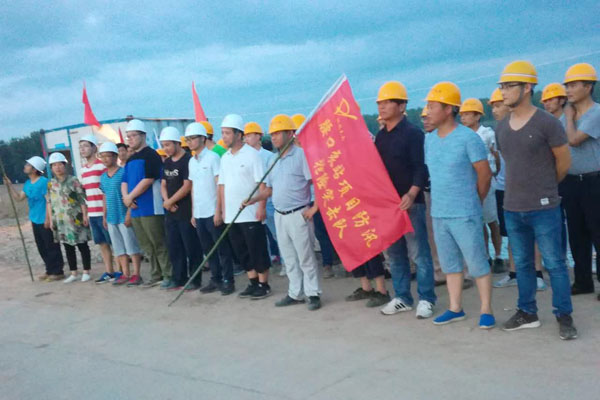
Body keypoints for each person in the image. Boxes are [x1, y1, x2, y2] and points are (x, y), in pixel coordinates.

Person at [496, 60, 576, 340]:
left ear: (527, 87)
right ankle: (527, 312)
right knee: (523, 264)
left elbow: (563, 162)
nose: (503, 91)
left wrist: (545, 188)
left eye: (509, 86)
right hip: (512, 207)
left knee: (555, 263)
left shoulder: (547, 123)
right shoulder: (502, 127)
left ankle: (564, 315)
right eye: (502, 86)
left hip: (544, 207)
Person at [424, 81, 495, 329]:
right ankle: (455, 308)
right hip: (439, 212)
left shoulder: (468, 138)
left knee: (477, 262)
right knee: (450, 264)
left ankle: (486, 309)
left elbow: (484, 174)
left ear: (448, 109)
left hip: (464, 212)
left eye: (433, 106)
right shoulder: (429, 140)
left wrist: (475, 200)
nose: (428, 111)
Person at [245, 114, 322, 310]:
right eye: (272, 134)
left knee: (305, 256)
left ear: (290, 133)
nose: (274, 137)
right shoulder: (273, 160)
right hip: (280, 215)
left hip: (299, 213)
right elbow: (269, 189)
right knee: (289, 257)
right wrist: (253, 199)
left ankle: (313, 293)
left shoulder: (301, 156)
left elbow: (317, 182)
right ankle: (295, 293)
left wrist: (315, 207)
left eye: (278, 133)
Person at [374, 81, 436, 318]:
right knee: (395, 254)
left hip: (411, 203)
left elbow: (421, 167)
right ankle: (402, 297)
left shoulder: (413, 134)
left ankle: (426, 298)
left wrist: (412, 193)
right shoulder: (381, 137)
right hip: (388, 206)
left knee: (419, 252)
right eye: (380, 103)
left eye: (387, 102)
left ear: (401, 106)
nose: (382, 106)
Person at [490, 89, 547, 291]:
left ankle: (537, 273)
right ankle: (514, 273)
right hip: (503, 189)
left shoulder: (525, 126)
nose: (495, 110)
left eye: (498, 105)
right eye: (493, 107)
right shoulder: (498, 130)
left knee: (533, 233)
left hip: (526, 189)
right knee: (510, 233)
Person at [218, 114, 272, 299]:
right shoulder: (225, 158)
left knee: (257, 249)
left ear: (238, 134)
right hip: (232, 214)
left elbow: (262, 184)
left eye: (227, 133)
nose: (224, 137)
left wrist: (261, 207)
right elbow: (222, 185)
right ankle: (253, 281)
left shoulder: (252, 155)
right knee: (241, 250)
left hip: (250, 213)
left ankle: (264, 284)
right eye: (222, 133)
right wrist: (223, 211)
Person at [560, 63, 600, 298]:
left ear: (588, 86)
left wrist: (567, 116)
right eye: (567, 85)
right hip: (571, 180)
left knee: (597, 230)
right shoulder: (568, 117)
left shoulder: (595, 113)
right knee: (576, 232)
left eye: (573, 85)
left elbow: (574, 140)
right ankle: (583, 280)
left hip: (594, 180)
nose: (568, 90)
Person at [121, 119, 172, 289]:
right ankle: (155, 274)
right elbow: (124, 181)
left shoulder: (151, 155)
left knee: (158, 242)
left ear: (143, 136)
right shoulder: (130, 159)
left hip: (151, 207)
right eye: (128, 136)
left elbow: (148, 179)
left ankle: (168, 274)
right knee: (146, 245)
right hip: (135, 209)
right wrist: (126, 198)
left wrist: (130, 197)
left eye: (133, 135)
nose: (130, 139)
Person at [186, 122, 236, 295]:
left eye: (193, 138)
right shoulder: (192, 161)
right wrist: (193, 212)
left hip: (212, 211)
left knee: (222, 248)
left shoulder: (213, 158)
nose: (190, 142)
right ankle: (216, 278)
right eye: (188, 139)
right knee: (208, 249)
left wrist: (218, 210)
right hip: (199, 212)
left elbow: (219, 185)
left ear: (202, 138)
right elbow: (193, 188)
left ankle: (228, 280)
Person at [459, 98, 504, 273]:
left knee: (491, 219)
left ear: (477, 116)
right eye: (462, 115)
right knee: (479, 222)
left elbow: (496, 155)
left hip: (488, 180)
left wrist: (495, 173)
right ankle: (486, 255)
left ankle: (498, 255)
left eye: (467, 114)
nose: (463, 118)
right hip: (470, 182)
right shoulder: (461, 135)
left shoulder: (487, 133)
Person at [4, 156, 65, 281]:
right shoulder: (27, 184)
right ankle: (49, 269)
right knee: (41, 246)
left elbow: (49, 201)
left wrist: (48, 218)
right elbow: (19, 198)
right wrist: (9, 186)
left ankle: (58, 271)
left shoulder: (44, 182)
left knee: (51, 245)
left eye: (28, 165)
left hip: (45, 218)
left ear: (35, 169)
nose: (25, 167)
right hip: (35, 219)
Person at [292, 113, 337, 279]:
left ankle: (341, 260)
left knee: (335, 229)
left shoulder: (315, 150)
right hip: (307, 200)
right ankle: (327, 263)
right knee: (320, 233)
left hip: (325, 197)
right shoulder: (292, 154)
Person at [159, 127, 202, 291]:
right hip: (171, 211)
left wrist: (171, 201)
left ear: (177, 143)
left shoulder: (187, 161)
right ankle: (178, 278)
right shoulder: (167, 162)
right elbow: (163, 184)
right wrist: (167, 201)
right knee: (174, 246)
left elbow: (187, 186)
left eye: (168, 145)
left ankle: (195, 279)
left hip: (185, 210)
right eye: (163, 145)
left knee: (191, 246)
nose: (166, 149)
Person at [98, 142, 143, 286]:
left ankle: (136, 273)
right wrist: (104, 216)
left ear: (115, 156)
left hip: (124, 215)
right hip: (111, 217)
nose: (105, 159)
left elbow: (130, 194)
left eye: (108, 156)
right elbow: (105, 196)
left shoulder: (124, 173)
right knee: (119, 248)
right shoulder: (103, 177)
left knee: (131, 246)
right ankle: (125, 273)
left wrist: (129, 213)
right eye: (102, 156)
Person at [46, 152, 92, 283]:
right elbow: (49, 202)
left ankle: (86, 271)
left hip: (76, 217)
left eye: (60, 164)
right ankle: (73, 272)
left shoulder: (73, 180)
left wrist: (85, 215)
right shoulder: (51, 184)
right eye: (54, 165)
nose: (57, 167)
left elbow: (82, 199)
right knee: (67, 246)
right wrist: (51, 219)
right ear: (51, 168)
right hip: (61, 220)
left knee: (82, 244)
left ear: (65, 165)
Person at [78, 135, 117, 284]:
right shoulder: (83, 170)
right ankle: (109, 271)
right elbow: (84, 193)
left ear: (94, 148)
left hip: (105, 211)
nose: (82, 149)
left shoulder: (101, 166)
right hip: (92, 212)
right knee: (102, 243)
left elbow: (107, 188)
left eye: (86, 146)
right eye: (81, 146)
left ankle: (121, 271)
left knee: (114, 242)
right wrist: (86, 213)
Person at [244, 122, 281, 267]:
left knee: (277, 234)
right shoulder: (246, 157)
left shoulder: (268, 156)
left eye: (250, 135)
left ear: (258, 136)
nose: (247, 139)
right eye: (245, 136)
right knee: (261, 236)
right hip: (254, 201)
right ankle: (268, 262)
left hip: (270, 201)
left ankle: (285, 262)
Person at [420, 107, 446, 286]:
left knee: (453, 233)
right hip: (429, 191)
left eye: (428, 117)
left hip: (446, 192)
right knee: (432, 234)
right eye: (423, 118)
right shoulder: (426, 139)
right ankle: (439, 271)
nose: (426, 121)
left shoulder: (447, 138)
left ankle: (465, 273)